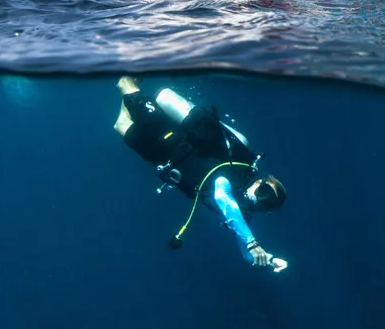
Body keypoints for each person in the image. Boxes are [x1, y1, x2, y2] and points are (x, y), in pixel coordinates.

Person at [113, 76, 288, 271]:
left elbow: (247, 254)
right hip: (171, 137)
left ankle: (133, 83)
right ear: (258, 182)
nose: (259, 199)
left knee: (120, 125)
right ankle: (130, 75)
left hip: (163, 156)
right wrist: (253, 243)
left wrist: (270, 259)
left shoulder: (240, 218)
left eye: (266, 202)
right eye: (264, 190)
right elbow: (222, 195)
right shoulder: (236, 174)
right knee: (129, 86)